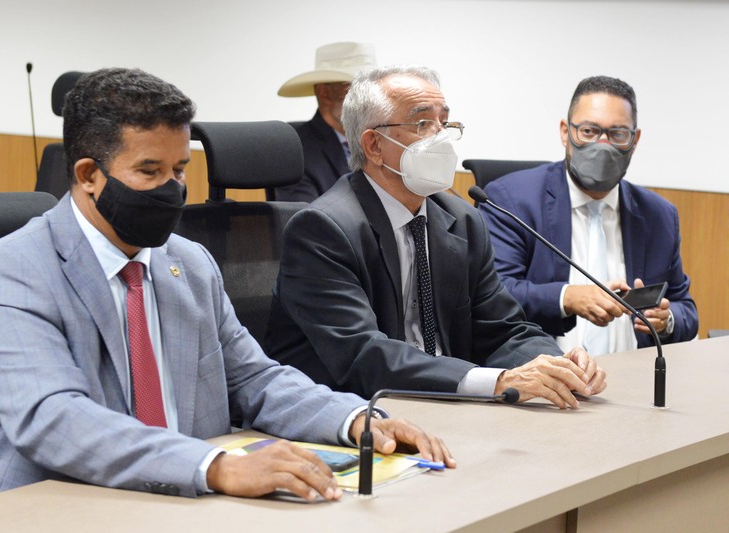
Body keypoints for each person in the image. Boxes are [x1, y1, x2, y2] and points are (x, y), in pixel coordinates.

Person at [0, 68, 454, 507]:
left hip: (173, 503)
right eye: (150, 171)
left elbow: (256, 379)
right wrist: (215, 465)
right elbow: (53, 419)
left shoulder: (188, 262)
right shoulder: (10, 270)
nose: (172, 189)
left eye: (180, 169)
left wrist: (355, 419)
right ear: (89, 174)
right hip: (35, 508)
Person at [264, 65, 607, 408]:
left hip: (444, 404)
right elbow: (363, 354)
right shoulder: (322, 230)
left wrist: (557, 365)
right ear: (374, 145)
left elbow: (503, 328)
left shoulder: (462, 221)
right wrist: (497, 382)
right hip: (348, 412)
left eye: (444, 122)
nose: (440, 137)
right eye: (422, 123)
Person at [480, 76, 698, 355]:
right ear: (565, 132)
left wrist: (667, 320)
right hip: (544, 372)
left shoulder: (659, 215)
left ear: (635, 140)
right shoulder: (511, 200)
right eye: (589, 131)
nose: (602, 145)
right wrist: (568, 297)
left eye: (618, 134)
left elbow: (685, 307)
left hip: (636, 373)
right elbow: (495, 294)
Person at [274, 42, 376, 201]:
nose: (371, 99)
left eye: (374, 90)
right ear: (324, 93)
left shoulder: (382, 141)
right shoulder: (295, 152)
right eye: (357, 89)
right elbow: (304, 213)